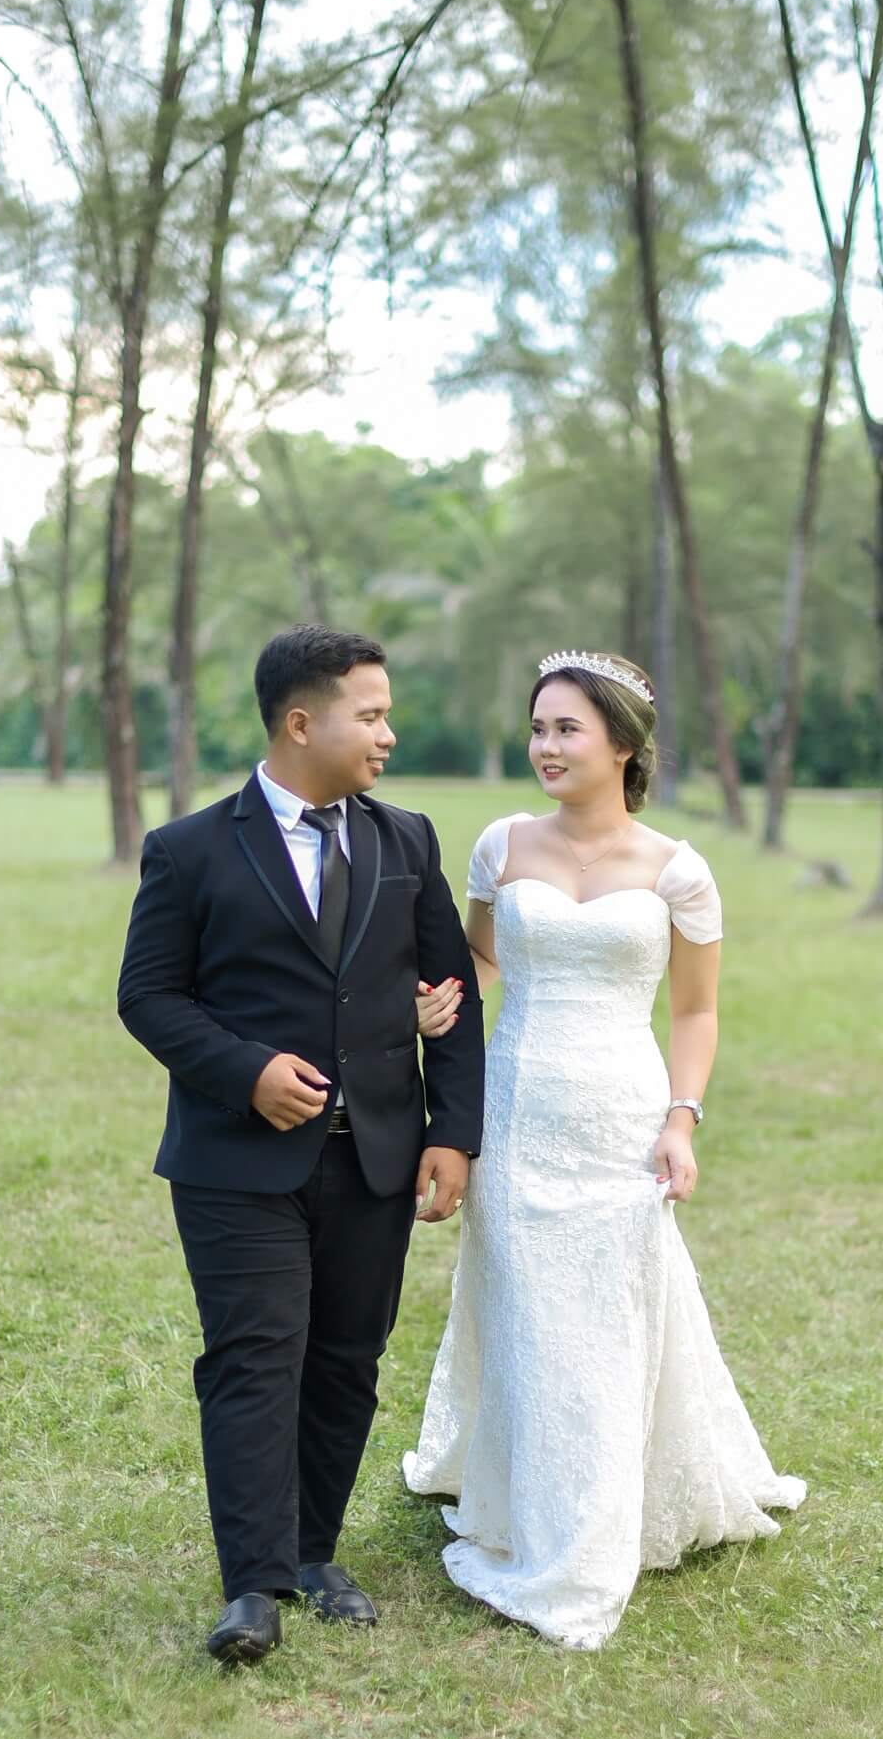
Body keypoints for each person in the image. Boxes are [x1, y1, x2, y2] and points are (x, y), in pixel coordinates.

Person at [404, 649, 805, 1650]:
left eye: (566, 729)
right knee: (527, 1306)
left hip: (621, 1117)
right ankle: (530, 1494)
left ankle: (600, 1509)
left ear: (621, 744)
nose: (545, 746)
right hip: (516, 1110)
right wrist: (436, 1003)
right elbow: (482, 958)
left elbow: (697, 1010)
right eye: (537, 728)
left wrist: (681, 1118)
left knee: (611, 1311)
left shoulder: (677, 870)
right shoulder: (500, 845)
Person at [118, 627, 484, 1665]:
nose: (387, 732)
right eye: (369, 715)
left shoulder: (406, 840)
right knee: (253, 1357)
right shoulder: (189, 848)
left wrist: (452, 1134)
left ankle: (315, 1551)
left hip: (375, 1157)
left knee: (345, 1359)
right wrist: (247, 1072)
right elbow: (148, 996)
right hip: (235, 1164)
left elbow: (452, 1001)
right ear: (298, 722)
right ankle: (253, 1584)